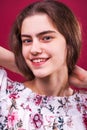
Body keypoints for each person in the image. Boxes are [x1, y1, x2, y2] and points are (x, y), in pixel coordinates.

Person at [0, 0, 87, 129]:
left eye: (46, 38)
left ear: (70, 43)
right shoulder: (4, 94)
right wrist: (20, 64)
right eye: (27, 40)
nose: (34, 49)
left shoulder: (83, 107)